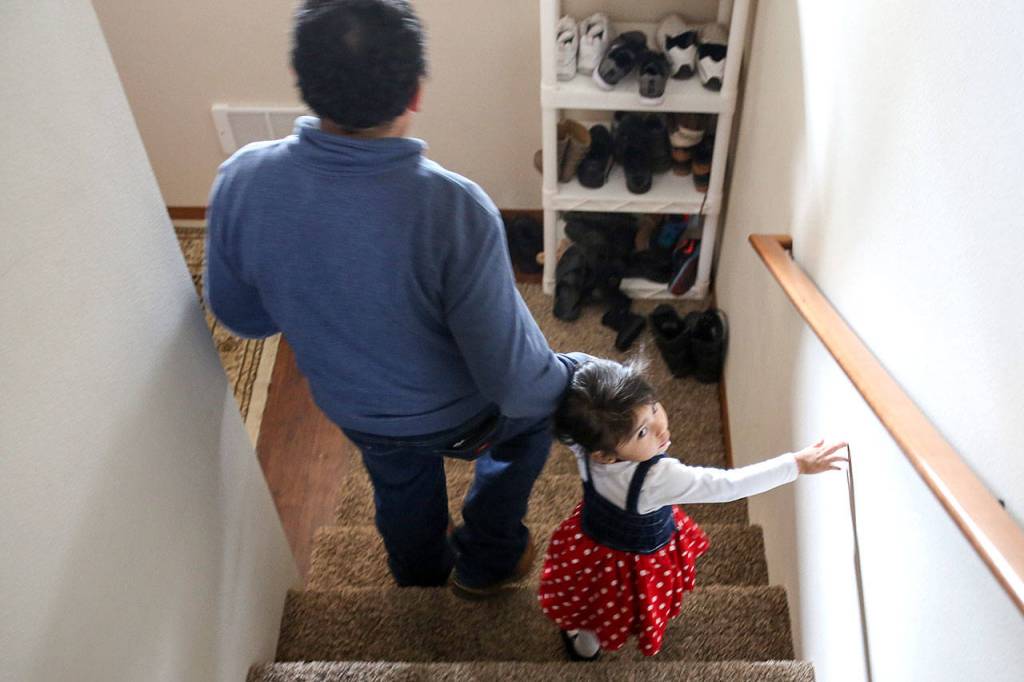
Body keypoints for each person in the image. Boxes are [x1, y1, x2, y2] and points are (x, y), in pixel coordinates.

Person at [204, 0, 584, 597]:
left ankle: (420, 577)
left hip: (356, 409)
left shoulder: (241, 179)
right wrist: (570, 377)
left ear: (303, 83)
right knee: (532, 420)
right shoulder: (455, 209)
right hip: (464, 417)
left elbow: (243, 318)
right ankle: (488, 556)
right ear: (415, 93)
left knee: (400, 486)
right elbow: (515, 382)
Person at [539, 357, 848, 659]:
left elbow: (581, 380)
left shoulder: (584, 444)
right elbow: (729, 485)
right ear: (605, 455)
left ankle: (583, 646)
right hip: (632, 565)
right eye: (642, 432)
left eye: (654, 408)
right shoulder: (661, 478)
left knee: (592, 603)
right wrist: (795, 465)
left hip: (591, 546)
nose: (660, 428)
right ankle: (587, 643)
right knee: (619, 605)